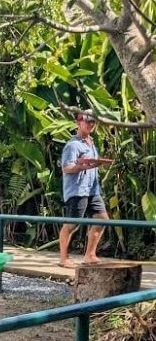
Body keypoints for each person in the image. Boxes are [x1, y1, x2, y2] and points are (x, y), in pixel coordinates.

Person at [59, 111, 113, 268]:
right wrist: (85, 166)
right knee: (72, 224)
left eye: (93, 122)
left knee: (102, 219)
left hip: (93, 190)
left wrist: (98, 164)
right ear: (78, 122)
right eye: (87, 121)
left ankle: (90, 255)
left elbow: (92, 165)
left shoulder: (91, 142)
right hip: (77, 190)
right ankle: (63, 258)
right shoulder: (73, 145)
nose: (90, 124)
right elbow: (67, 168)